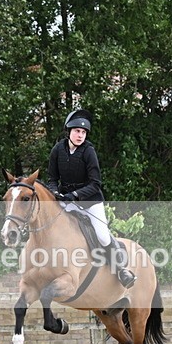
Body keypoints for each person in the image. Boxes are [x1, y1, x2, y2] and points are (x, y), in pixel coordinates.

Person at [47, 109, 136, 288]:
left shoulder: (88, 152)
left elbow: (95, 183)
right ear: (68, 131)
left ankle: (121, 270)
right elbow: (52, 179)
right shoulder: (58, 150)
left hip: (90, 201)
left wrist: (76, 195)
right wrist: (55, 192)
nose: (80, 135)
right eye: (77, 131)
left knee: (102, 236)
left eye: (83, 132)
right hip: (67, 201)